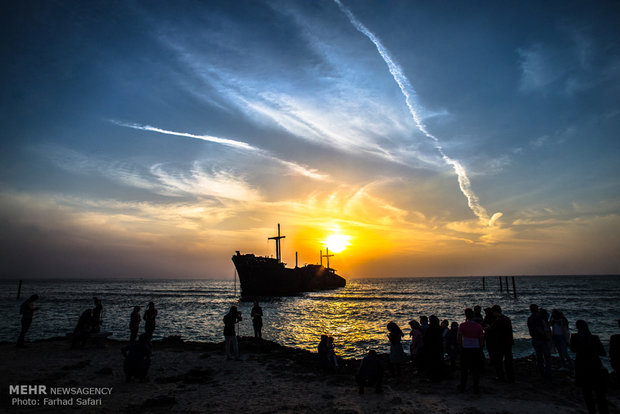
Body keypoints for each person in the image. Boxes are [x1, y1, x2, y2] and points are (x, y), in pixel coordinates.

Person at [570, 320, 609, 414]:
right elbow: (603, 353)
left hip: (582, 367)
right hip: (595, 366)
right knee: (600, 394)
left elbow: (573, 349)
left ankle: (592, 411)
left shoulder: (575, 337)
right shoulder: (594, 338)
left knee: (587, 393)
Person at [457, 308, 484, 394]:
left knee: (464, 369)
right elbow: (481, 338)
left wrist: (461, 346)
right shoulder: (478, 326)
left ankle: (463, 386)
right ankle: (476, 386)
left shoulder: (462, 325)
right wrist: (480, 347)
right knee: (475, 369)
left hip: (466, 348)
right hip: (475, 348)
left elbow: (459, 337)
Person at [487, 305, 515, 382]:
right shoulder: (507, 319)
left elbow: (491, 328)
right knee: (508, 360)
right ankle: (511, 377)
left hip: (500, 343)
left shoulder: (499, 320)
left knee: (498, 360)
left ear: (495, 312)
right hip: (508, 342)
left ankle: (501, 376)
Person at [527, 304, 552, 378]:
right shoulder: (538, 317)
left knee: (539, 357)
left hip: (534, 338)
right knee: (547, 357)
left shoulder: (530, 318)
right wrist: (545, 336)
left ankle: (541, 373)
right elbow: (539, 328)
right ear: (537, 309)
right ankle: (548, 373)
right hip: (541, 339)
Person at [549, 309, 573, 373]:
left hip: (562, 337)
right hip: (555, 337)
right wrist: (552, 319)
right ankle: (564, 366)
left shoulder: (562, 320)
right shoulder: (553, 320)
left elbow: (565, 328)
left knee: (564, 353)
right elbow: (550, 324)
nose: (552, 315)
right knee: (560, 352)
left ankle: (571, 366)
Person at [424, 315, 445, 381]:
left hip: (431, 348)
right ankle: (438, 376)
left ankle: (432, 376)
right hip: (438, 347)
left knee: (431, 362)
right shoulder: (439, 328)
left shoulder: (430, 328)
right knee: (438, 362)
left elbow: (426, 338)